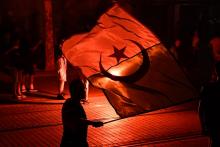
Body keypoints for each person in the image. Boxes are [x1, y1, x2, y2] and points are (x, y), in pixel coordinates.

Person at [60, 79, 103, 147]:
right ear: (76, 91)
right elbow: (77, 120)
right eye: (82, 89)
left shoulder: (75, 103)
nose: (84, 90)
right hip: (72, 143)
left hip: (78, 141)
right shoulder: (70, 104)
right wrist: (93, 123)